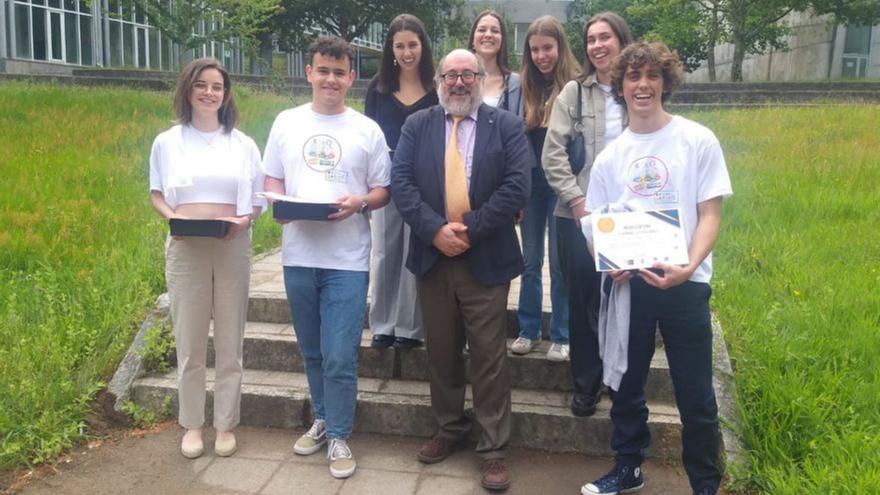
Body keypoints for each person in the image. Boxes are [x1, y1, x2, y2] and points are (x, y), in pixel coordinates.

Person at [580, 41, 732, 495]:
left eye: (652, 76)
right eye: (633, 77)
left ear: (666, 83)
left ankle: (705, 482)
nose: (642, 85)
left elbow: (710, 214)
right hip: (632, 289)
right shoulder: (610, 157)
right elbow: (596, 224)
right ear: (621, 86)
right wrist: (608, 264)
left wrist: (689, 266)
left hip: (685, 284)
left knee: (695, 394)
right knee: (626, 385)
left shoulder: (697, 139)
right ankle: (628, 467)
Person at [390, 49, 531, 491]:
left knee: (489, 357)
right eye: (450, 75)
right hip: (434, 257)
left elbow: (517, 185)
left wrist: (469, 230)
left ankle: (492, 449)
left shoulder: (505, 125)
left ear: (480, 78)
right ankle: (450, 429)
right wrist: (435, 230)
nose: (458, 82)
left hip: (484, 256)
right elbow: (401, 183)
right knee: (442, 351)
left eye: (467, 74)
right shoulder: (418, 125)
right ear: (439, 81)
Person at [262, 35, 391, 480]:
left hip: (348, 260)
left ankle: (339, 434)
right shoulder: (286, 122)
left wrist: (360, 202)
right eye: (323, 70)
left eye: (339, 72)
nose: (331, 79)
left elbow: (383, 189)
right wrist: (277, 206)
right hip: (298, 254)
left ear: (351, 77)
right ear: (309, 73)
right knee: (312, 351)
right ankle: (321, 419)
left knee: (339, 354)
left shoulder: (366, 129)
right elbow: (272, 179)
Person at [148, 58, 265, 459]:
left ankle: (225, 424)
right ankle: (193, 424)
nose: (209, 93)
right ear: (188, 89)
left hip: (232, 244)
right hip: (186, 247)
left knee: (230, 340)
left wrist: (244, 220)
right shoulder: (168, 141)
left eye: (217, 86)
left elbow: (259, 199)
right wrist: (173, 217)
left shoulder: (243, 143)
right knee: (190, 341)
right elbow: (157, 194)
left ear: (226, 94)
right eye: (201, 85)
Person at [542, 11, 634, 415]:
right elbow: (553, 154)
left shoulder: (640, 87)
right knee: (582, 304)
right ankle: (586, 384)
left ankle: (623, 381)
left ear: (622, 40)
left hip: (631, 219)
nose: (597, 45)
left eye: (605, 37)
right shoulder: (573, 94)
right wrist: (580, 203)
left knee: (626, 300)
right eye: (591, 39)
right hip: (578, 218)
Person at [509, 16, 580, 362]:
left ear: (560, 47)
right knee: (531, 259)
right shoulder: (523, 86)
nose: (541, 56)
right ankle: (528, 328)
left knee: (560, 261)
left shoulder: (575, 86)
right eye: (535, 49)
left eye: (547, 48)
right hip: (533, 183)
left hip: (562, 182)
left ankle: (562, 334)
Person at [365, 14, 438, 349]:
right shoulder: (378, 88)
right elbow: (367, 137)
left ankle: (409, 327)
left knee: (415, 251)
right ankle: (383, 323)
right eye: (400, 46)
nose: (407, 52)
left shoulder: (437, 88)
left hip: (424, 182)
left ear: (423, 46)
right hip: (386, 180)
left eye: (413, 45)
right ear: (391, 49)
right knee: (385, 250)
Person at [468, 10, 522, 116]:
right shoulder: (457, 80)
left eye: (495, 31)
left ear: (502, 41)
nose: (488, 35)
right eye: (482, 30)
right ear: (473, 41)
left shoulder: (516, 84)